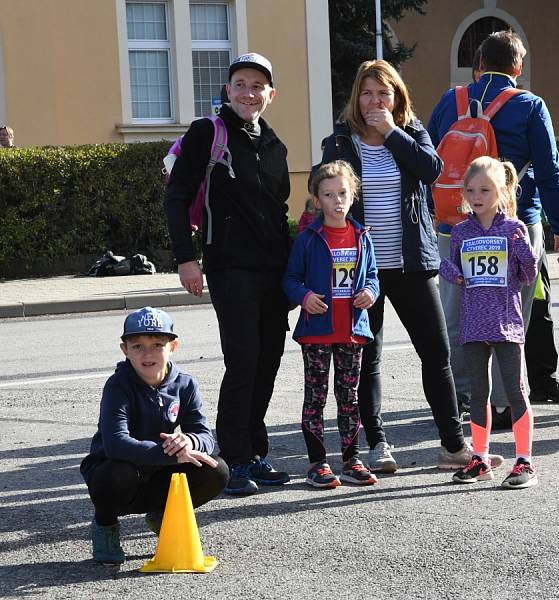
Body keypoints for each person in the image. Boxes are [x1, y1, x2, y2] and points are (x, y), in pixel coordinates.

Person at [319, 59, 502, 473]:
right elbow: (326, 192)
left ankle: (454, 445)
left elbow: (431, 169)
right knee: (368, 357)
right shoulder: (341, 140)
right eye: (367, 93)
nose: (374, 101)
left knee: (436, 353)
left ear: (396, 97)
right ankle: (378, 445)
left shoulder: (411, 131)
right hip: (361, 269)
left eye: (383, 93)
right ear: (356, 98)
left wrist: (391, 132)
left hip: (412, 265)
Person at [428, 31, 559, 430]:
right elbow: (550, 170)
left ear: (479, 64)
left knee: (456, 309)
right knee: (511, 313)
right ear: (518, 66)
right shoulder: (529, 105)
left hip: (454, 222)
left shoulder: (451, 101)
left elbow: (427, 158)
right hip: (514, 223)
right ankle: (502, 401)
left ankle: (458, 396)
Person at [165, 52, 292, 495]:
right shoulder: (207, 133)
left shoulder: (275, 145)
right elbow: (177, 196)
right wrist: (186, 258)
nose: (248, 93)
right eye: (240, 83)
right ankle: (232, 458)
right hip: (229, 267)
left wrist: (295, 274)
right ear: (227, 89)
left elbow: (279, 213)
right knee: (244, 360)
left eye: (257, 86)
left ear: (270, 95)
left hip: (273, 273)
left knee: (269, 361)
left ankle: (254, 452)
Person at [79, 307, 229, 564]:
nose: (147, 354)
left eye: (157, 344)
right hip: (117, 472)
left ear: (173, 346)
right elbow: (116, 444)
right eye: (137, 346)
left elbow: (205, 436)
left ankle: (163, 514)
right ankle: (105, 524)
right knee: (117, 472)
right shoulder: (118, 385)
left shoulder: (185, 384)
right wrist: (172, 455)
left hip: (157, 471)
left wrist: (188, 441)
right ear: (124, 350)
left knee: (216, 469)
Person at [439, 157, 539, 488]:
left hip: (505, 323)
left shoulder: (513, 228)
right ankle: (480, 458)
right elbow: (450, 267)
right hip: (472, 324)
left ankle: (524, 460)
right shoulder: (461, 231)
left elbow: (527, 274)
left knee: (514, 391)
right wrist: (452, 273)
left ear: (501, 192)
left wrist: (524, 249)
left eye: (485, 189)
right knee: (477, 392)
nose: (477, 196)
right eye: (471, 190)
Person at [283, 161, 380, 488]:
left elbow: (372, 278)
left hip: (352, 332)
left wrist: (369, 292)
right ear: (316, 200)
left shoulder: (362, 237)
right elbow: (291, 279)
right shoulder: (309, 238)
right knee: (316, 396)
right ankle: (317, 462)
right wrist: (304, 296)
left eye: (342, 193)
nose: (337, 201)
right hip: (316, 334)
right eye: (328, 195)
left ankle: (352, 460)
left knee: (349, 397)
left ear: (353, 195)